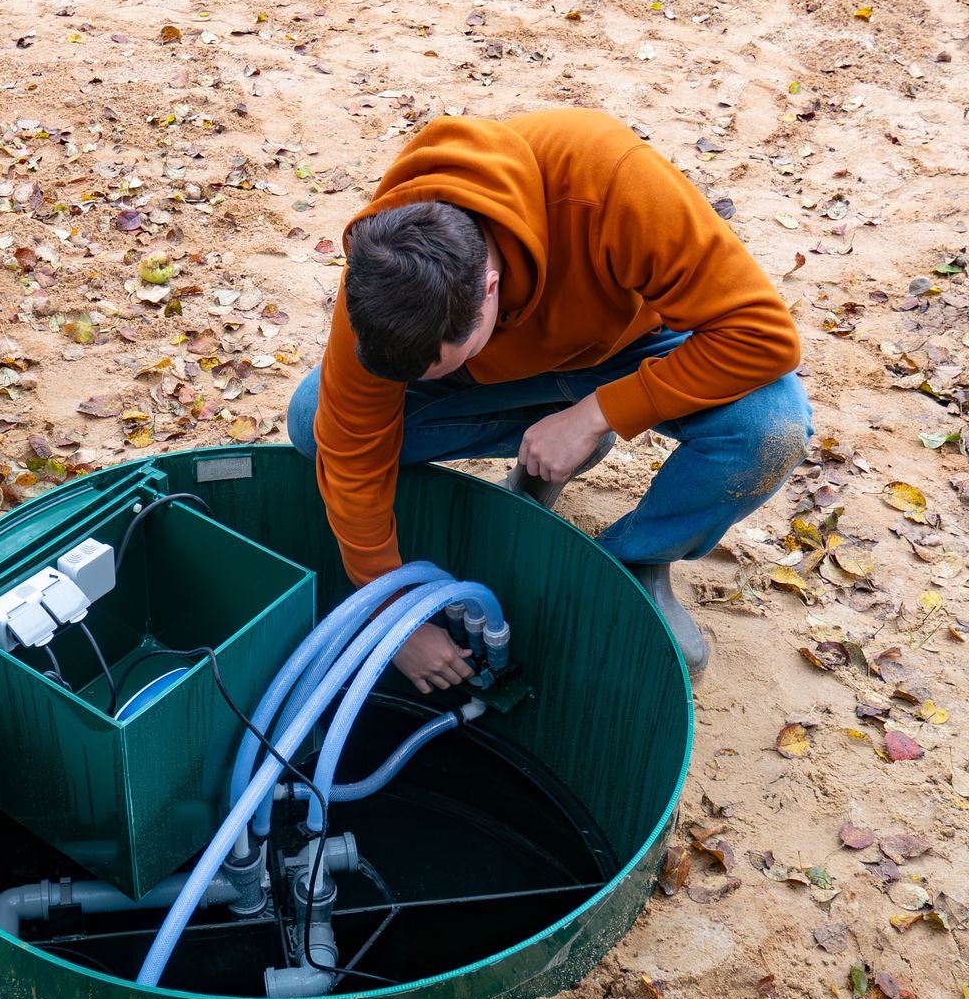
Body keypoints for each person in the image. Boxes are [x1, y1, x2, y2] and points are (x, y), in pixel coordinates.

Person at [285, 108, 812, 684]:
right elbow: (352, 445)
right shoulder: (383, 268)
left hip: (635, 343)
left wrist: (598, 413)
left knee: (770, 428)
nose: (419, 383)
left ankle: (634, 562)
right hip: (497, 369)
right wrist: (392, 612)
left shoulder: (610, 183)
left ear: (488, 291)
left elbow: (764, 336)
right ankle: (547, 443)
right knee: (316, 421)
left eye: (435, 368)